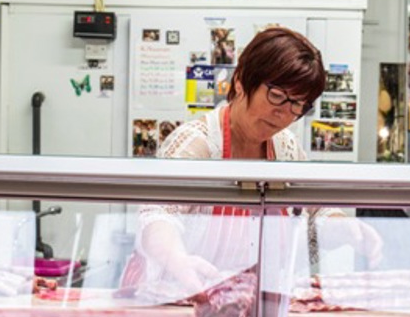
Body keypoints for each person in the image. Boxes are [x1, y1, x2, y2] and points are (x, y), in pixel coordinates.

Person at [130, 27, 383, 295]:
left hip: (253, 309)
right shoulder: (198, 145)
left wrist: (345, 228)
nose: (284, 114)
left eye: (298, 104)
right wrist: (175, 259)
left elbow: (314, 214)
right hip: (183, 302)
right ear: (240, 81)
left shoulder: (285, 148)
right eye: (277, 96)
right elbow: (157, 216)